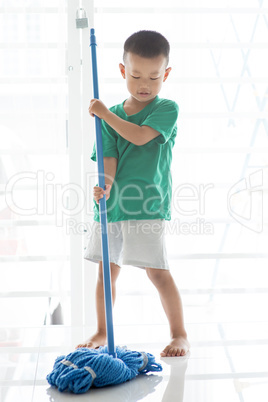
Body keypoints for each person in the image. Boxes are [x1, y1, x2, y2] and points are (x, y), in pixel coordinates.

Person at [77, 30, 190, 357]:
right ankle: (101, 330)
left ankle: (179, 334)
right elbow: (109, 157)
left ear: (165, 74)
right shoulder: (108, 114)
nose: (145, 83)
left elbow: (140, 137)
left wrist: (105, 114)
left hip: (147, 203)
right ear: (123, 71)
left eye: (154, 77)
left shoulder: (166, 108)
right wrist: (106, 184)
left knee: (156, 271)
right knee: (106, 270)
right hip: (112, 205)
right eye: (136, 75)